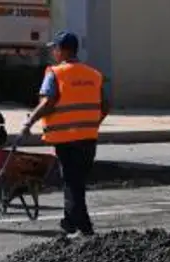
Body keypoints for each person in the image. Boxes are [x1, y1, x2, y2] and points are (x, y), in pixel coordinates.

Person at [19, 31, 109, 238]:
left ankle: (84, 228)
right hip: (88, 137)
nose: (53, 52)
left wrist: (29, 121)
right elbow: (106, 105)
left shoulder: (56, 73)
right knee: (77, 181)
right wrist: (93, 123)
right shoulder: (93, 74)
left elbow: (47, 103)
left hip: (66, 139)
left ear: (64, 50)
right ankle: (69, 223)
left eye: (55, 49)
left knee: (71, 182)